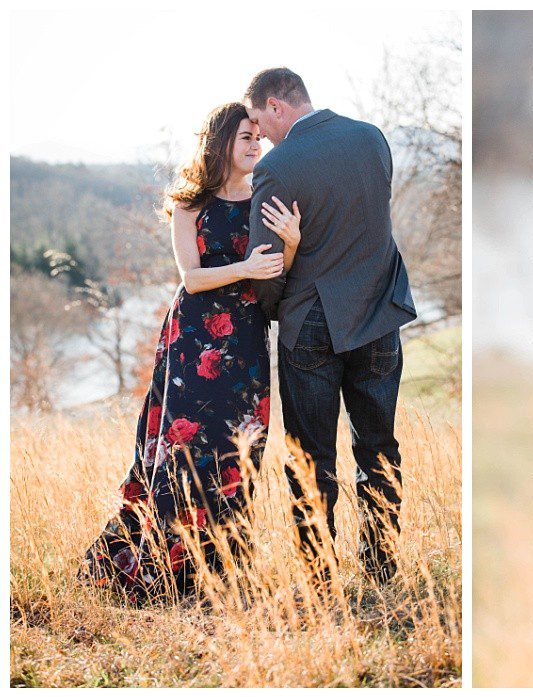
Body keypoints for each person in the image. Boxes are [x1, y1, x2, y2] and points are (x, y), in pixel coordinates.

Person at [80, 102, 300, 602]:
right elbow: (193, 277)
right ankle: (163, 570)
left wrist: (291, 243)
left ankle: (224, 573)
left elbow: (275, 275)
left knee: (240, 448)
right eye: (245, 136)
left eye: (258, 137)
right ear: (221, 141)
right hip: (193, 339)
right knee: (185, 450)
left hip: (244, 340)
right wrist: (245, 268)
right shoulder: (189, 203)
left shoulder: (263, 197)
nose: (255, 145)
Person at [242, 67, 418, 584]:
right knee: (379, 446)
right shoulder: (373, 140)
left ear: (276, 105)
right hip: (378, 316)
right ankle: (382, 567)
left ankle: (318, 576)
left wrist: (272, 309)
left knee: (311, 456)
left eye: (260, 121)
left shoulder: (277, 168)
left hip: (311, 324)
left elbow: (266, 264)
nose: (261, 135)